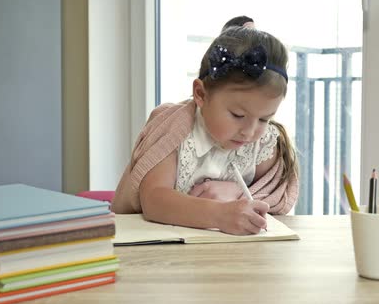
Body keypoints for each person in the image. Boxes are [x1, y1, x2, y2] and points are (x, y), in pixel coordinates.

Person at [111, 22, 298, 236]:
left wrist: (239, 194)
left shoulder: (262, 144)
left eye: (265, 119)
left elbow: (278, 193)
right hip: (155, 251)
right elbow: (154, 199)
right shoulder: (176, 130)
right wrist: (220, 214)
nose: (249, 131)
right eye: (237, 115)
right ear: (200, 94)